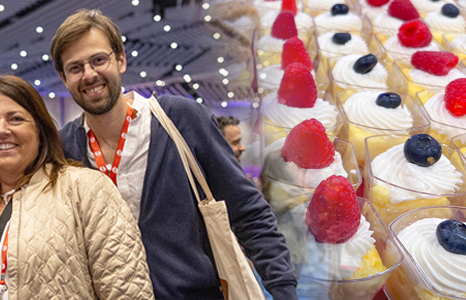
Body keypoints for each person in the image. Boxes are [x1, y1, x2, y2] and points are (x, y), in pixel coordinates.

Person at [49, 9, 295, 299]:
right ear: (64, 78)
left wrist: (282, 290)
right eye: (75, 68)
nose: (89, 74)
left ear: (121, 60)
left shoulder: (181, 119)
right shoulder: (63, 149)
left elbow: (248, 213)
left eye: (98, 60)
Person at [0, 75, 152, 299]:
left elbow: (128, 291)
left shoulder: (86, 190)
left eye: (15, 119)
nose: (1, 129)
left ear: (40, 130)